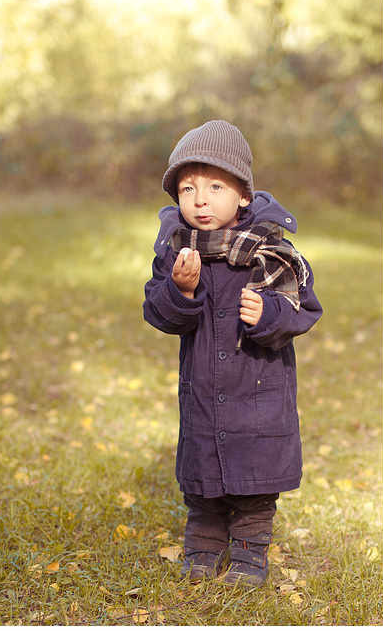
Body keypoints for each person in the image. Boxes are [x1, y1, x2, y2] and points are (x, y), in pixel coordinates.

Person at [143, 120, 322, 587]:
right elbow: (158, 313)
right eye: (188, 188)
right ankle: (202, 549)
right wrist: (181, 291)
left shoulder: (271, 251)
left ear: (244, 194)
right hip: (204, 390)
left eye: (215, 187)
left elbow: (304, 309)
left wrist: (268, 314)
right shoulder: (178, 251)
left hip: (259, 389)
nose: (200, 200)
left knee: (255, 486)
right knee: (204, 479)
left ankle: (248, 555)